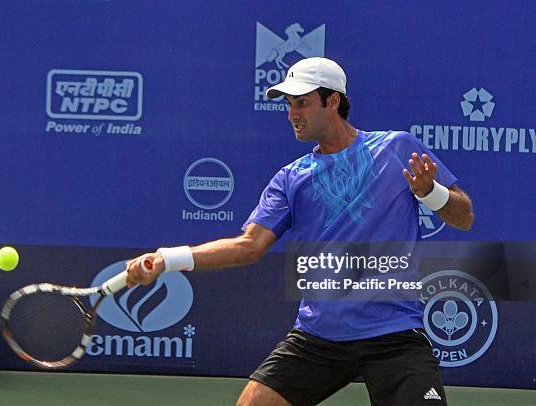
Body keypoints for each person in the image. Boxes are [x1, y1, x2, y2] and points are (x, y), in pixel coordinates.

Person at [124, 57, 474, 406]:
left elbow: (464, 217)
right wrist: (167, 258)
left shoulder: (397, 149)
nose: (292, 114)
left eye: (302, 103)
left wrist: (431, 192)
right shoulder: (291, 178)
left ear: (333, 101)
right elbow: (249, 246)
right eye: (289, 105)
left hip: (394, 334)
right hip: (320, 336)